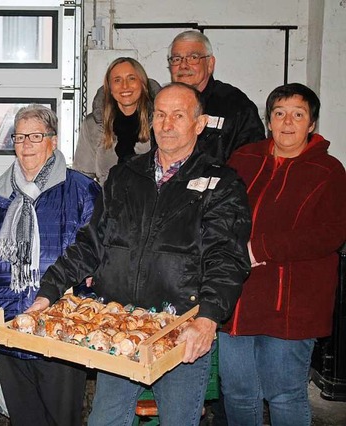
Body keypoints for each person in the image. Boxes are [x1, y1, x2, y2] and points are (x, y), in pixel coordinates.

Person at [29, 83, 252, 426]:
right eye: (160, 114)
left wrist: (207, 317)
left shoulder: (221, 183)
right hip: (120, 325)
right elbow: (92, 242)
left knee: (178, 421)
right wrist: (49, 291)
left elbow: (227, 258)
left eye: (178, 115)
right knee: (104, 420)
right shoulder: (124, 175)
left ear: (199, 123)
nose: (166, 123)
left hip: (180, 332)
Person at [0, 104, 101, 426]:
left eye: (36, 136)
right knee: (25, 419)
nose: (26, 144)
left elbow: (99, 249)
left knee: (62, 419)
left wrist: (93, 280)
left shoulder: (81, 191)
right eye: (19, 137)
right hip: (8, 325)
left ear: (53, 141)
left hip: (58, 329)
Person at [219, 83, 346, 426]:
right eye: (279, 113)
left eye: (298, 114)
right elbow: (217, 211)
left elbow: (330, 234)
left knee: (284, 393)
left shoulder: (329, 171)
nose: (288, 122)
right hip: (237, 299)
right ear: (269, 121)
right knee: (237, 392)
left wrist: (260, 248)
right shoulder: (244, 159)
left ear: (312, 124)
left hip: (291, 305)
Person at [168, 30, 265, 162]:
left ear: (210, 64)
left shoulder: (236, 106)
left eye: (193, 58)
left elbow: (251, 162)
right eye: (176, 59)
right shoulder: (163, 105)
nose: (183, 65)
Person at [73, 57, 160, 185]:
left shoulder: (161, 121)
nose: (125, 86)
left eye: (131, 78)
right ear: (110, 88)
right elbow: (81, 179)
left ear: (142, 84)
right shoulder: (93, 124)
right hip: (108, 201)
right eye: (117, 80)